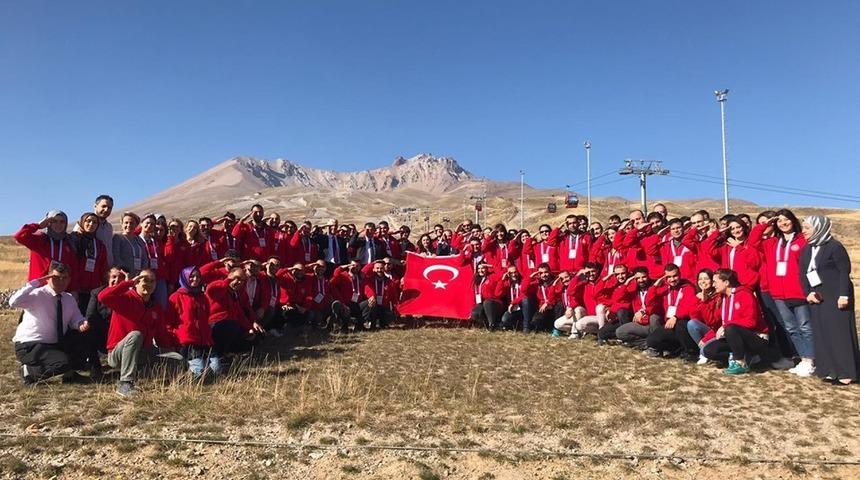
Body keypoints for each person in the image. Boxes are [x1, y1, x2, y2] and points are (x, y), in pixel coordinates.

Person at [750, 209, 814, 376]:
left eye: (786, 220)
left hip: (799, 291)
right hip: (778, 293)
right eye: (779, 221)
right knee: (791, 328)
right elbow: (753, 241)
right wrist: (765, 224)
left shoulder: (802, 241)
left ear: (793, 221)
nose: (783, 223)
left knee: (805, 327)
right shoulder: (772, 243)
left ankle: (811, 360)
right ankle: (802, 359)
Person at [799, 215, 859, 385]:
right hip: (817, 297)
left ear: (819, 228)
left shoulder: (834, 247)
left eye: (807, 228)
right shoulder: (807, 249)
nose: (803, 231)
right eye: (803, 228)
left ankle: (846, 373)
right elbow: (803, 273)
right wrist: (807, 293)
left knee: (839, 334)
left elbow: (844, 272)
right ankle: (830, 370)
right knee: (822, 333)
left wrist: (844, 295)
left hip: (836, 296)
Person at [10, 263, 91, 384]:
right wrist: (36, 282)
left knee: (81, 343)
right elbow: (13, 302)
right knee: (61, 363)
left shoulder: (69, 298)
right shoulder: (36, 295)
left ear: (69, 279)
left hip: (54, 344)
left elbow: (75, 318)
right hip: (31, 345)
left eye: (64, 278)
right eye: (56, 278)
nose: (61, 282)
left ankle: (69, 374)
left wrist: (80, 323)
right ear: (48, 278)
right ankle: (28, 372)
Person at [98, 269, 172, 397]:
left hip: (143, 353)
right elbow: (102, 297)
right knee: (136, 335)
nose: (149, 284)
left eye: (152, 281)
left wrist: (170, 353)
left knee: (178, 359)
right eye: (145, 280)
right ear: (136, 282)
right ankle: (125, 383)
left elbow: (161, 335)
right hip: (118, 354)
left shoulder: (156, 307)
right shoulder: (124, 298)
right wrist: (128, 283)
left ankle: (143, 374)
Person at [702, 269, 791, 375]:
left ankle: (740, 363)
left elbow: (751, 322)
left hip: (755, 337)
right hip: (734, 337)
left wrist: (726, 325)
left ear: (726, 282)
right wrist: (705, 302)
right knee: (708, 350)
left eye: (715, 282)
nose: (713, 285)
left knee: (731, 328)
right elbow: (712, 321)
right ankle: (744, 356)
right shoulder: (723, 298)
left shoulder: (744, 294)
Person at [206, 267, 264, 368]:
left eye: (242, 280)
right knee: (231, 327)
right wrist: (228, 280)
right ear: (229, 276)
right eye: (237, 278)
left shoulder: (235, 295)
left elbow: (240, 314)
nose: (239, 282)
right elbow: (211, 290)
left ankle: (229, 354)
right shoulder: (219, 287)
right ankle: (216, 354)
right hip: (214, 325)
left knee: (255, 336)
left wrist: (249, 328)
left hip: (229, 325)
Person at [166, 266, 216, 379]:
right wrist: (174, 339)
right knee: (199, 373)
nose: (195, 279)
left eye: (198, 276)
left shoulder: (203, 297)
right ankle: (185, 368)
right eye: (191, 276)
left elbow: (206, 318)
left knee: (216, 370)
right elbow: (168, 323)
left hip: (204, 341)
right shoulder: (175, 297)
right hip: (187, 342)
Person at [644, 264, 697, 358]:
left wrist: (676, 317)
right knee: (651, 341)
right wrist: (655, 286)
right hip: (669, 324)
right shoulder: (665, 289)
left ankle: (691, 352)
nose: (672, 279)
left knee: (680, 325)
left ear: (680, 275)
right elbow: (649, 302)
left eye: (675, 276)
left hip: (683, 323)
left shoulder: (688, 288)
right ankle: (677, 349)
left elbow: (688, 307)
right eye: (669, 277)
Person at [14, 211, 79, 286]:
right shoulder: (39, 239)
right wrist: (38, 225)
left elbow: (73, 269)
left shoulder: (69, 243)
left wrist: (73, 289)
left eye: (62, 222)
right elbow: (19, 236)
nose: (58, 224)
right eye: (54, 221)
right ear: (48, 223)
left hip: (60, 288)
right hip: (38, 287)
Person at [69, 212, 109, 313]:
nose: (91, 224)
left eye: (95, 222)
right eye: (88, 221)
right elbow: (71, 265)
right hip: (76, 288)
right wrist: (73, 288)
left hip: (94, 289)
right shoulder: (73, 240)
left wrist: (104, 286)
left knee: (90, 317)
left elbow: (103, 267)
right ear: (82, 222)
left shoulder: (100, 245)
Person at [615, 266, 663, 348]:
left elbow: (656, 305)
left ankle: (656, 345)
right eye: (638, 278)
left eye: (643, 277)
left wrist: (643, 311)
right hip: (641, 324)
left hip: (653, 323)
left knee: (654, 317)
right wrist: (626, 283)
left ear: (648, 276)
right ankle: (647, 344)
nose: (641, 280)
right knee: (620, 332)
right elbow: (618, 298)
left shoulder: (656, 288)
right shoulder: (635, 290)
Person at [73, 194, 114, 265]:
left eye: (109, 208)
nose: (106, 210)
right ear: (95, 206)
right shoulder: (84, 225)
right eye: (103, 206)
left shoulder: (109, 227)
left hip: (106, 267)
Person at [362, 259, 399, 329]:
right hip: (372, 305)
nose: (379, 270)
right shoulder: (369, 279)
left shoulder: (390, 282)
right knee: (372, 303)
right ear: (373, 269)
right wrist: (373, 263)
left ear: (384, 269)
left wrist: (396, 310)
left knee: (387, 319)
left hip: (383, 306)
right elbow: (363, 272)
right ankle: (370, 324)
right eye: (377, 268)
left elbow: (394, 297)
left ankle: (382, 323)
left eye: (381, 268)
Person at [497, 265, 534, 332]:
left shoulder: (522, 281)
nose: (513, 274)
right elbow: (497, 293)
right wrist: (502, 280)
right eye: (511, 273)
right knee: (505, 319)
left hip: (523, 308)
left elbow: (524, 294)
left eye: (515, 272)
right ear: (508, 274)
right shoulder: (507, 283)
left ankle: (526, 327)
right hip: (513, 310)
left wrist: (513, 303)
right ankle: (518, 325)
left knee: (526, 300)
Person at [113, 212, 149, 276]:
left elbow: (145, 258)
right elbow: (116, 258)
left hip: (139, 275)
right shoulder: (118, 238)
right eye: (126, 223)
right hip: (125, 275)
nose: (129, 225)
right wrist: (127, 272)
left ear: (136, 225)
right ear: (122, 224)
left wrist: (142, 272)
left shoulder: (139, 240)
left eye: (131, 223)